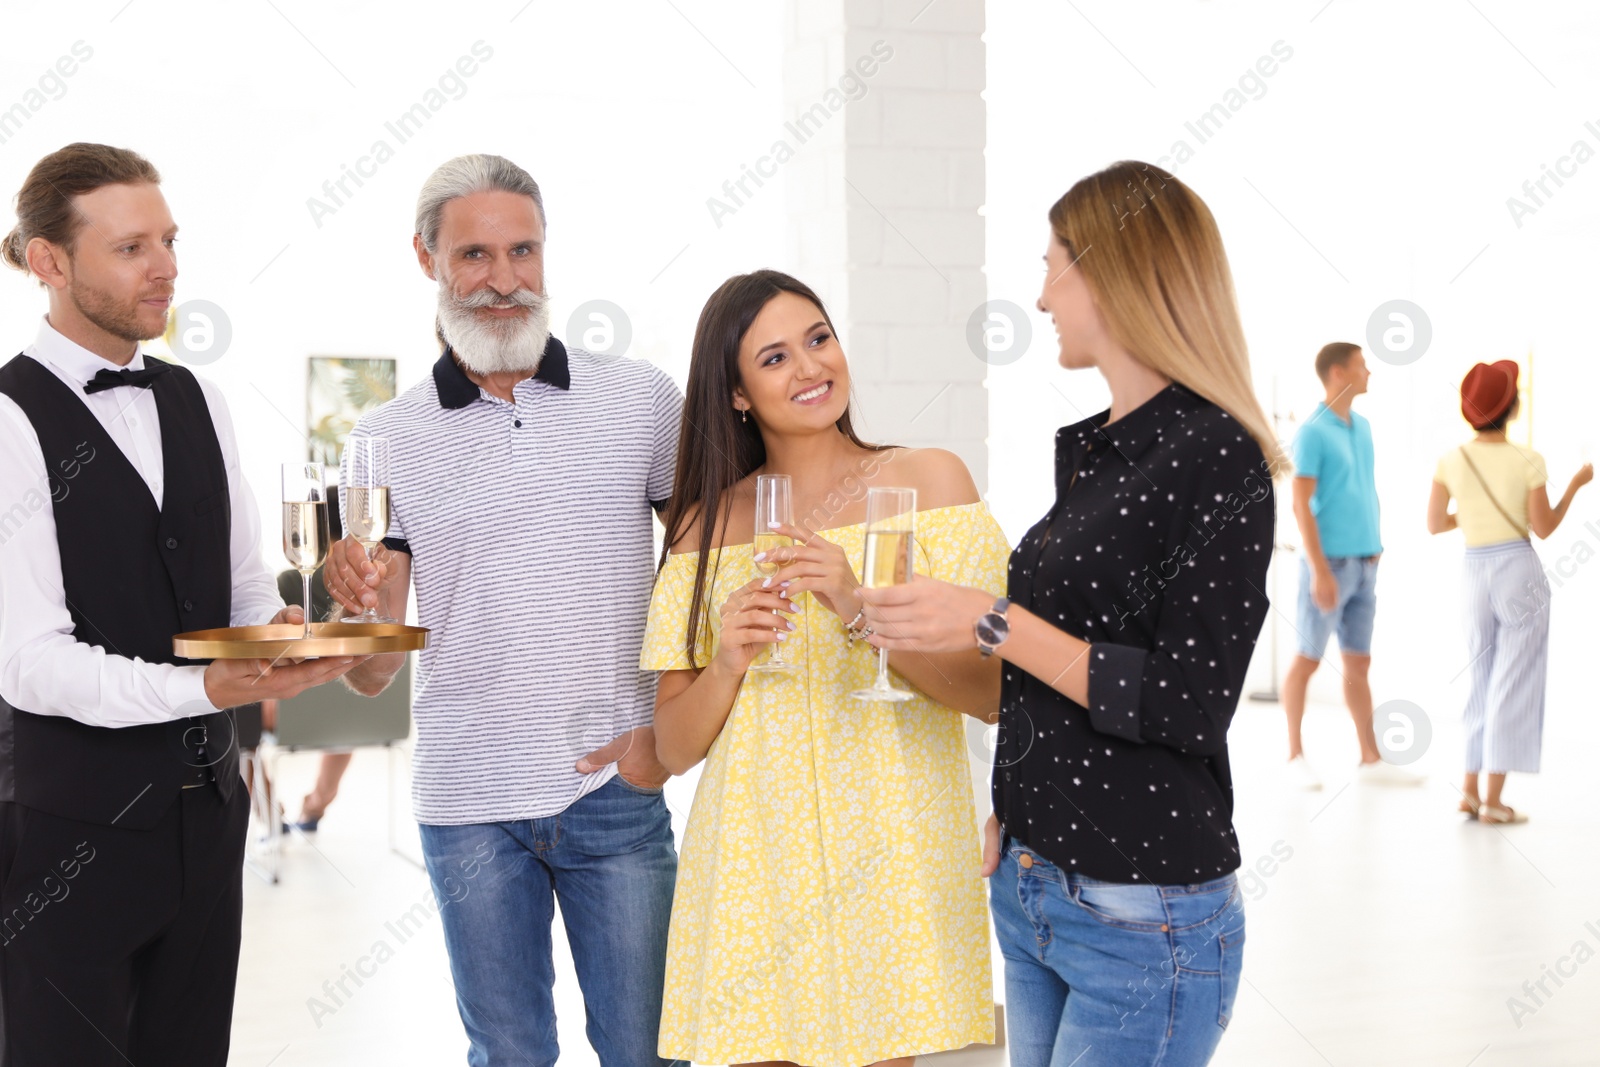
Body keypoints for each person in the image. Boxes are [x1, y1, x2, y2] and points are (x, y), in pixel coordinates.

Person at [856, 161, 1276, 1066]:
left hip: (1140, 910)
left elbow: (1186, 702)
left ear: (1112, 272)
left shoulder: (1218, 457)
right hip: (1037, 885)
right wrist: (1021, 799)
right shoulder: (1098, 452)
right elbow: (1060, 672)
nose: (1041, 296)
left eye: (1053, 265)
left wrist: (992, 620)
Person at [0, 143, 361, 1066]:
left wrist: (298, 629)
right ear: (48, 262)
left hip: (208, 814)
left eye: (168, 239)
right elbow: (30, 661)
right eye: (130, 248)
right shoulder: (10, 419)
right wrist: (201, 691)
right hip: (62, 831)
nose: (165, 267)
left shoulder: (198, 396)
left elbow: (241, 590)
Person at [322, 154, 684, 1066]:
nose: (503, 279)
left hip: (615, 787)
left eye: (522, 250)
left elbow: (702, 578)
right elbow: (374, 670)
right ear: (427, 259)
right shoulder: (384, 439)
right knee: (510, 1054)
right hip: (468, 801)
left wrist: (666, 738)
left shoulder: (641, 399)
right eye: (475, 254)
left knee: (651, 1051)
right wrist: (351, 615)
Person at [641, 270, 1005, 1067]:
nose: (810, 368)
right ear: (735, 394)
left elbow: (988, 694)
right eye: (773, 358)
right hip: (752, 850)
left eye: (818, 339)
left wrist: (859, 607)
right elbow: (672, 748)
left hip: (891, 841)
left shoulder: (930, 481)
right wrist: (728, 661)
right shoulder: (702, 524)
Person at [1427, 360, 1590, 824]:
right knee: (1513, 680)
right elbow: (1544, 527)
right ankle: (1496, 802)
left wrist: (1473, 512)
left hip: (1473, 571)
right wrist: (1576, 484)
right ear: (1512, 407)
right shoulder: (1529, 459)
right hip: (1518, 569)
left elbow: (1436, 524)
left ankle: (1471, 793)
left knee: (1481, 675)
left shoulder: (1450, 460)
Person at [1280, 341, 1418, 788]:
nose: (1369, 372)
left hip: (1366, 563)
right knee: (1308, 659)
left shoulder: (1362, 427)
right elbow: (1301, 505)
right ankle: (1294, 756)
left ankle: (1370, 759)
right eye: (1362, 365)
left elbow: (1362, 489)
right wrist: (1320, 569)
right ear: (1338, 373)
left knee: (1358, 663)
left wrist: (1374, 544)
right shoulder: (1313, 431)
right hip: (1329, 566)